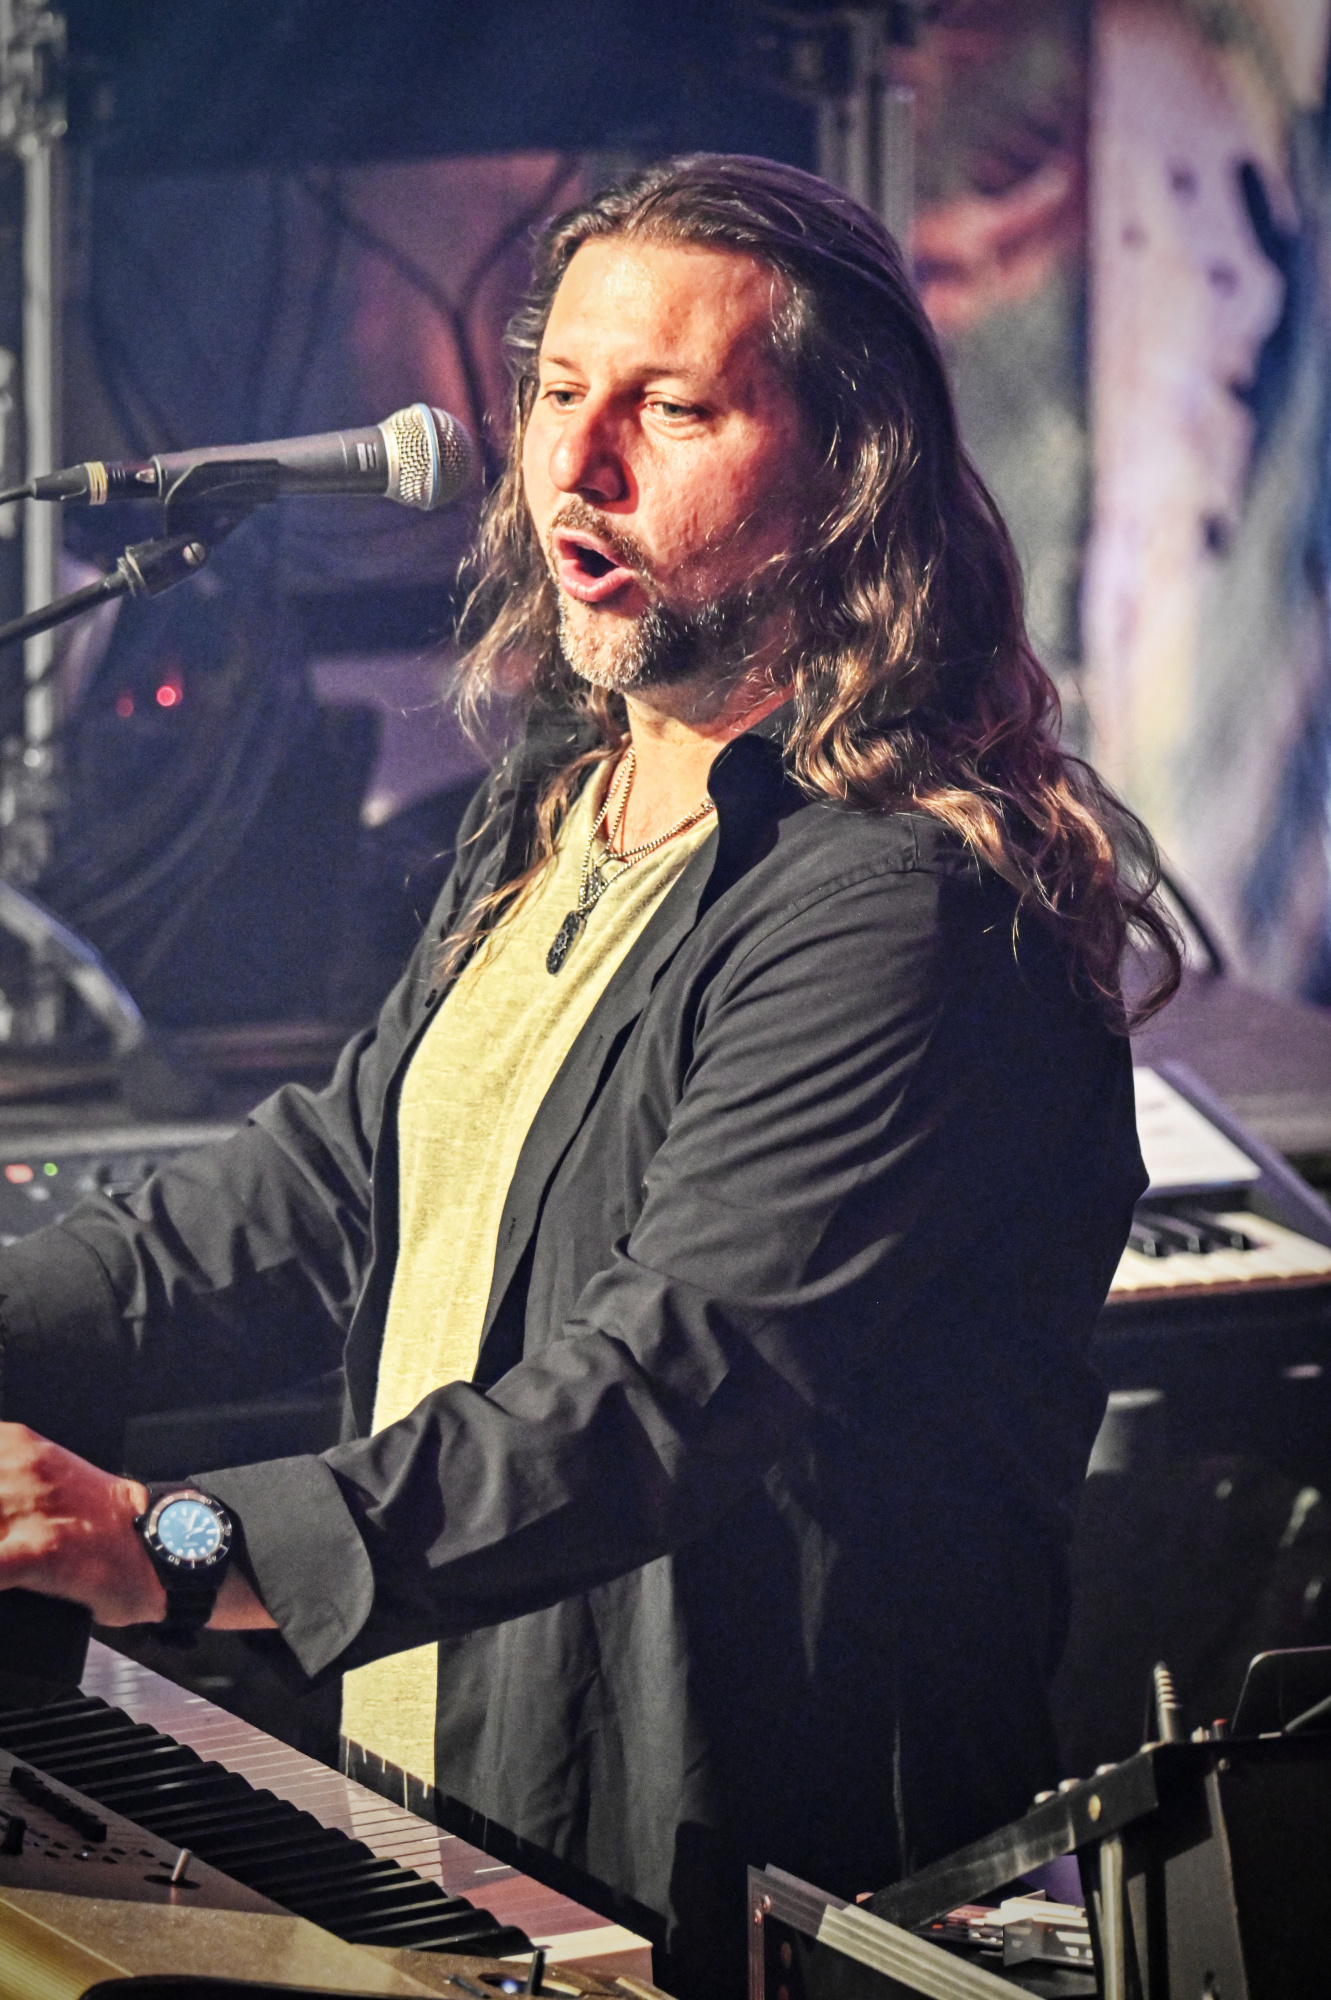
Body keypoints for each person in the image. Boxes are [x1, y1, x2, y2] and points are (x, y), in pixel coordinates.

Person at [0, 156, 1177, 1996]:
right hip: (461, 1807)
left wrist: (175, 1542)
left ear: (849, 476)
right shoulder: (568, 799)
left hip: (734, 1887)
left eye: (672, 409)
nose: (578, 463)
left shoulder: (905, 903)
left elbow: (661, 1393)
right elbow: (331, 1191)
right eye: (558, 391)